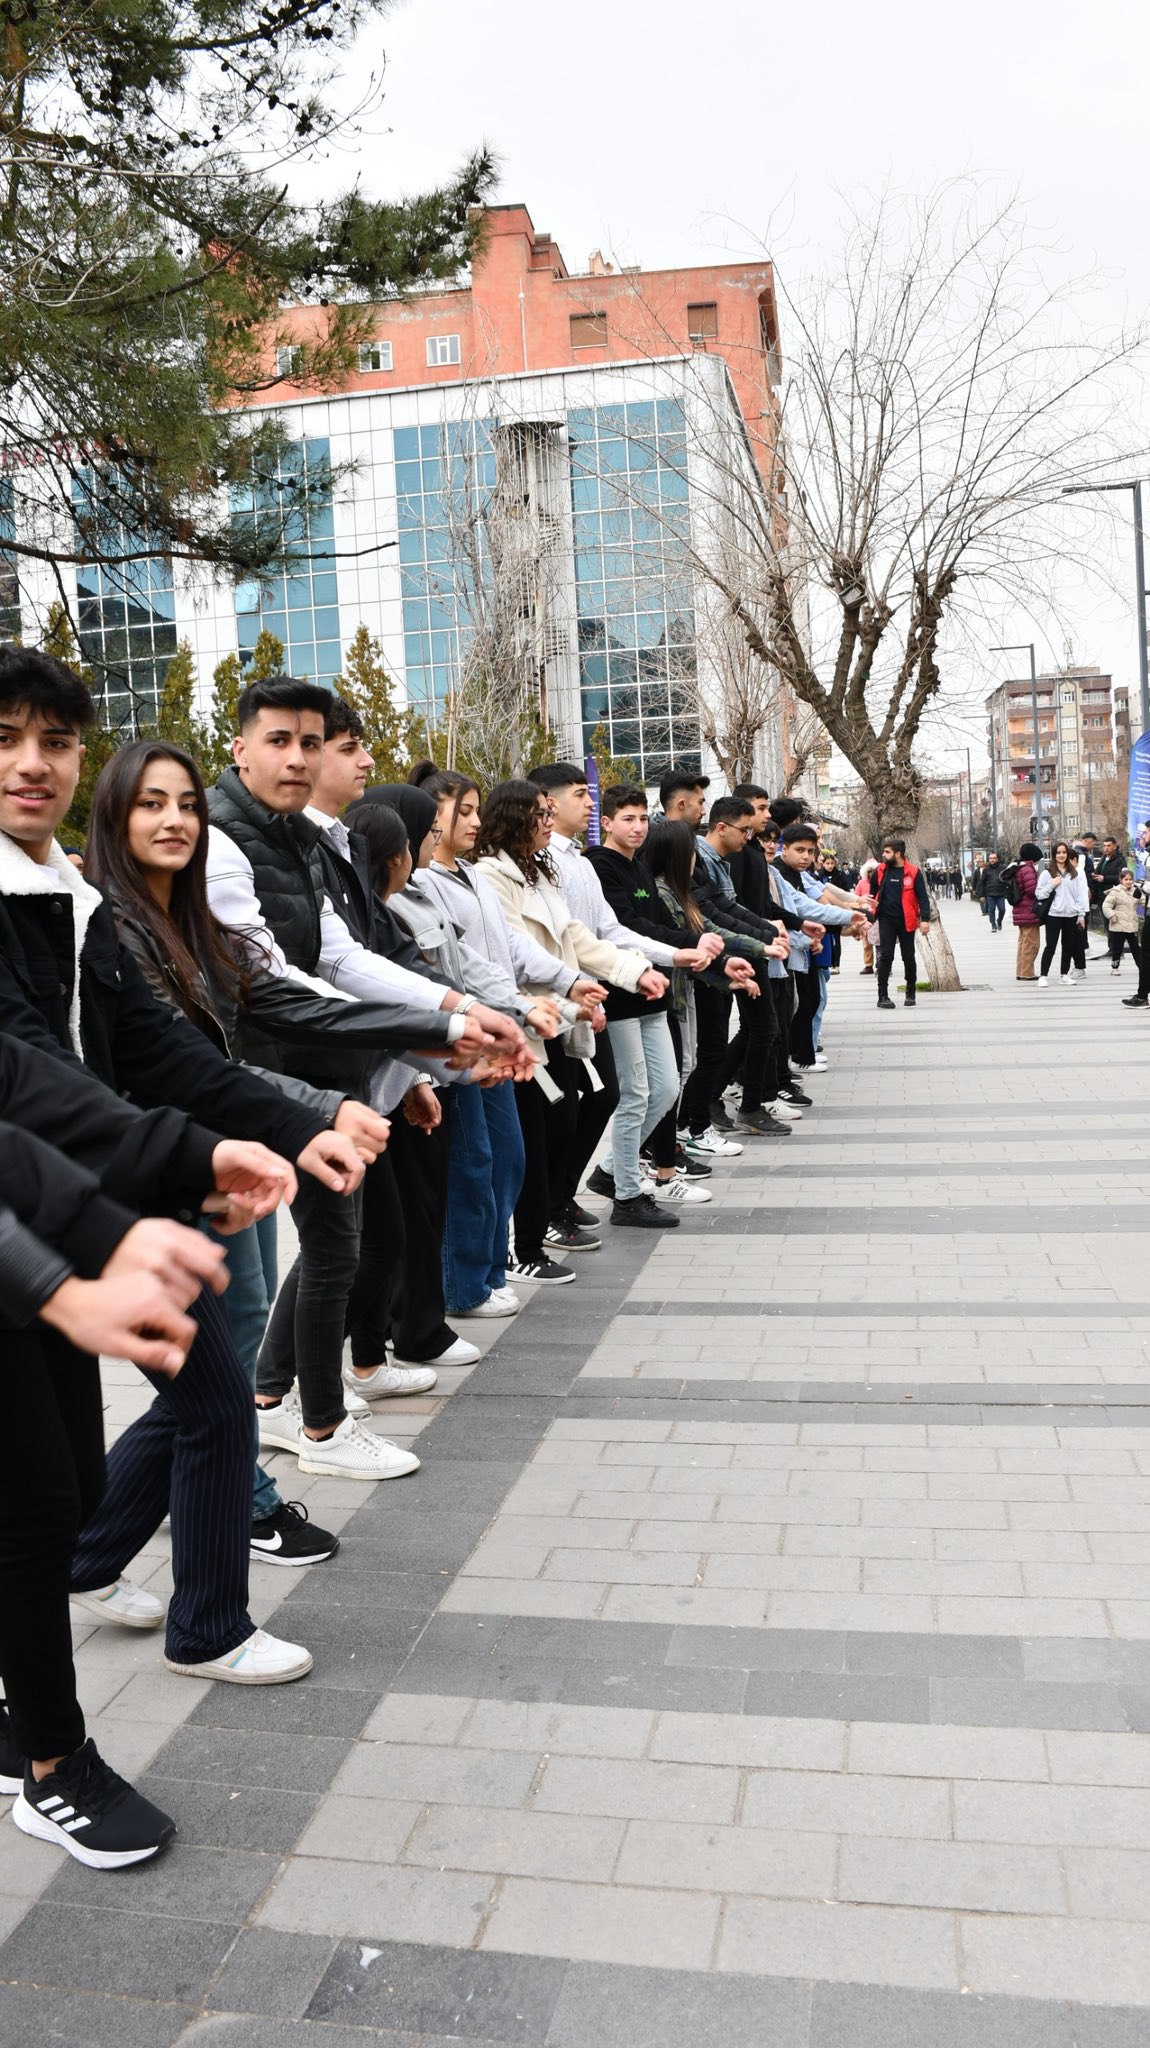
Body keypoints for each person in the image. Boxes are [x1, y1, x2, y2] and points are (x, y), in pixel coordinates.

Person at [0, 646, 371, 1688]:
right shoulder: (90, 907)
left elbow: (175, 1057)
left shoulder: (82, 906)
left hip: (113, 1203)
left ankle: (90, 1567)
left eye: (56, 742)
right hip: (73, 1215)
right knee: (196, 1405)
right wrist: (185, 1158)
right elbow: (27, 1073)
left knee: (99, 1460)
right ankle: (146, 1668)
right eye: (6, 741)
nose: (34, 764)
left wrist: (296, 1120)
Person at [83, 738, 442, 1554]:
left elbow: (267, 1007)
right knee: (211, 1377)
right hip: (163, 1169)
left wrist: (429, 1038)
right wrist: (325, 1106)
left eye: (185, 805)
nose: (174, 819)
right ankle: (234, 1517)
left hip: (224, 1146)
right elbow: (167, 1065)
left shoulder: (191, 915)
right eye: (150, 803)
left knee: (217, 1366)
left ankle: (98, 1547)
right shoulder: (106, 923)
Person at [204, 676, 520, 1477]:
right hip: (257, 1083)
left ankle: (279, 1411)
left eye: (313, 742)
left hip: (322, 1072)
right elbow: (274, 986)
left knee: (331, 1252)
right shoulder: (224, 842)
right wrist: (436, 1032)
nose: (300, 758)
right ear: (238, 748)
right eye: (280, 740)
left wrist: (440, 1022)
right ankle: (313, 1427)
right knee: (303, 1271)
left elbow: (343, 957)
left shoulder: (305, 840)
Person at [475, 780, 665, 1275]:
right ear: (515, 817)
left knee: (563, 1124)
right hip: (528, 1021)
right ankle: (527, 1247)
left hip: (559, 1018)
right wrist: (573, 989)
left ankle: (545, 1223)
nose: (547, 819)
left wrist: (631, 971)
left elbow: (578, 936)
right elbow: (518, 954)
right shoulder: (491, 875)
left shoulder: (538, 874)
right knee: (529, 1144)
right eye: (539, 813)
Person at [585, 783, 724, 1227]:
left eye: (643, 818)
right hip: (620, 995)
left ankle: (610, 1170)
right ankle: (627, 1194)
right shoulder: (598, 867)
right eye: (628, 818)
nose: (638, 827)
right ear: (606, 822)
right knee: (634, 1095)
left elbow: (662, 925)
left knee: (665, 1089)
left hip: (654, 994)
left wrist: (698, 948)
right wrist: (685, 946)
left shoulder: (641, 867)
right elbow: (626, 927)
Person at [866, 838, 932, 1010]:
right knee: (885, 956)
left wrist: (925, 919)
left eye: (887, 852)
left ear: (898, 853)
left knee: (908, 957)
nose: (883, 855)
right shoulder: (880, 870)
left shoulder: (913, 872)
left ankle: (910, 992)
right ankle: (882, 996)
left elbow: (923, 898)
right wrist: (868, 914)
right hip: (886, 920)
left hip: (907, 921)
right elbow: (872, 894)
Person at [1036, 840, 1089, 985]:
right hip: (1054, 915)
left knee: (1068, 946)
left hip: (1071, 915)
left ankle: (1064, 975)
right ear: (1054, 855)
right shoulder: (1047, 873)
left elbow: (1079, 896)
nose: (1061, 855)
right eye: (1058, 852)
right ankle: (1043, 976)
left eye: (1064, 852)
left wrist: (1081, 915)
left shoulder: (1074, 874)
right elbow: (1039, 894)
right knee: (1050, 946)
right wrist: (1051, 885)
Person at [1010, 840, 1043, 982]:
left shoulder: (1018, 868)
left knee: (1023, 943)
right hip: (1028, 911)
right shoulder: (1028, 870)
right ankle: (1027, 973)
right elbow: (1031, 890)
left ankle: (1021, 971)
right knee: (1032, 943)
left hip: (1021, 911)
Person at [1103, 867, 1142, 974]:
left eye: (1130, 879)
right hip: (1118, 925)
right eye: (1126, 879)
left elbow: (1142, 901)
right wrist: (1112, 916)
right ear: (1121, 880)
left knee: (1135, 947)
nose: (1128, 882)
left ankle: (1142, 967)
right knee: (1117, 948)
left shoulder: (1136, 891)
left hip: (1131, 924)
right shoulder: (1115, 892)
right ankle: (1115, 967)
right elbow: (1106, 906)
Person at [981, 852, 1007, 931]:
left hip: (1001, 893)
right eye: (991, 858)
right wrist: (981, 895)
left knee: (1002, 909)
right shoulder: (986, 870)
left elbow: (1006, 880)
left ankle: (999, 921)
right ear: (988, 860)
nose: (992, 860)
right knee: (991, 910)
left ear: (997, 859)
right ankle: (993, 925)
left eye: (994, 858)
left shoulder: (1002, 868)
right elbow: (982, 883)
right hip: (990, 893)